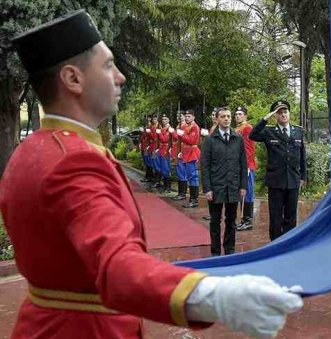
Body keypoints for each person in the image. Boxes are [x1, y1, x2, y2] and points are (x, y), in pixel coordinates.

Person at [1, 10, 302, 338]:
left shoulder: (34, 150)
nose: (120, 77)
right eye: (107, 65)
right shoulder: (73, 161)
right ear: (73, 79)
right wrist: (214, 296)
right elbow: (118, 267)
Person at [249, 100, 307, 241]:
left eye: (285, 112)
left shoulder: (298, 131)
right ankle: (275, 243)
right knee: (275, 215)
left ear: (289, 113)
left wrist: (303, 176)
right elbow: (252, 135)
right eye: (279, 113)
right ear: (275, 116)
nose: (283, 115)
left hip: (293, 179)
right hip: (276, 180)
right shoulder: (269, 131)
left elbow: (302, 156)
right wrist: (266, 118)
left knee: (291, 215)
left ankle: (288, 243)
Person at [201, 108, 247, 256]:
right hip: (216, 187)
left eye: (228, 116)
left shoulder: (237, 138)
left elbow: (243, 163)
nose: (226, 119)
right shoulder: (209, 140)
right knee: (215, 221)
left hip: (233, 186)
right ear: (217, 119)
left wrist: (243, 186)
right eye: (223, 116)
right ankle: (215, 252)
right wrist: (207, 188)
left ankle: (230, 250)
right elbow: (205, 166)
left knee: (231, 221)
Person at [235, 106, 257, 231]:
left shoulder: (247, 128)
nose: (238, 116)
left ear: (245, 116)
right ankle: (243, 219)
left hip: (247, 165)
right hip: (239, 165)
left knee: (247, 193)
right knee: (241, 193)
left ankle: (247, 220)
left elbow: (249, 149)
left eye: (240, 114)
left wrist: (247, 165)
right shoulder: (238, 128)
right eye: (236, 114)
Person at [179, 110, 202, 208]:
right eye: (186, 116)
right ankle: (191, 198)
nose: (187, 118)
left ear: (193, 117)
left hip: (192, 153)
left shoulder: (195, 127)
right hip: (186, 153)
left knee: (193, 177)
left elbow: (191, 140)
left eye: (189, 116)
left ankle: (194, 200)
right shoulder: (185, 126)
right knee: (189, 176)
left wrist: (181, 135)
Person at [171, 111, 188, 200]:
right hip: (177, 151)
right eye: (177, 115)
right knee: (179, 172)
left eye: (180, 116)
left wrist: (173, 132)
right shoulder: (179, 125)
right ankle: (180, 192)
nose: (178, 117)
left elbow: (179, 138)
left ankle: (183, 193)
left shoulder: (184, 126)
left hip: (182, 152)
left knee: (182, 173)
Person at [156, 114, 173, 193]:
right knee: (163, 168)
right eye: (163, 119)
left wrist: (159, 133)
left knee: (166, 169)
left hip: (166, 150)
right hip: (161, 149)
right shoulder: (163, 128)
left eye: (165, 119)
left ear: (168, 120)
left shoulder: (169, 129)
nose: (163, 120)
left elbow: (165, 139)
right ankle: (165, 186)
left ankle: (168, 187)